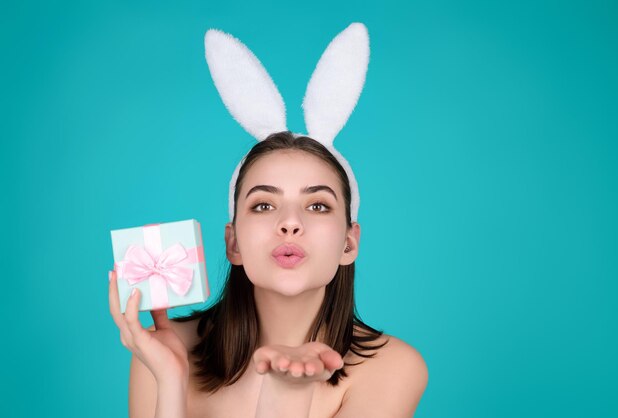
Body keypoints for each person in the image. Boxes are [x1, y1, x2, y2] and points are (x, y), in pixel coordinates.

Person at [108, 131, 429, 417]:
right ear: (233, 244)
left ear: (348, 243)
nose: (290, 223)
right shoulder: (163, 351)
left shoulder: (394, 368)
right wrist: (170, 380)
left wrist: (286, 395)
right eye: (264, 205)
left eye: (317, 205)